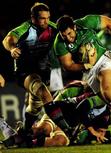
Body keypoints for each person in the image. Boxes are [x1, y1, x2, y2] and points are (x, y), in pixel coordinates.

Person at [53, 14, 111, 140]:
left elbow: (110, 22)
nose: (68, 38)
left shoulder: (87, 23)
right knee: (108, 98)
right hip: (89, 70)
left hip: (107, 63)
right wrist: (86, 65)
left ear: (74, 27)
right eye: (64, 35)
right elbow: (68, 65)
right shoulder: (59, 43)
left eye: (69, 33)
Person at [2, 2, 68, 137]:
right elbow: (8, 39)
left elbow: (67, 35)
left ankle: (26, 131)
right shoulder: (26, 28)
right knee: (44, 93)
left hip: (43, 71)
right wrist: (13, 48)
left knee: (35, 106)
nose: (46, 21)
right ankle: (68, 130)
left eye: (48, 18)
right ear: (33, 18)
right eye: (42, 18)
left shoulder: (52, 28)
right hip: (24, 72)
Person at [0, 114, 69, 148]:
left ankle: (22, 139)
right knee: (45, 128)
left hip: (68, 133)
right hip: (62, 119)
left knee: (60, 141)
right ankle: (18, 137)